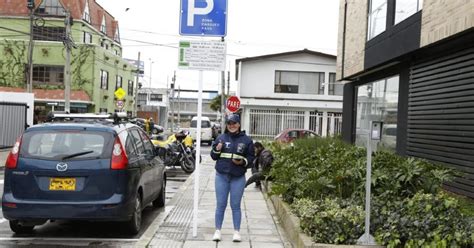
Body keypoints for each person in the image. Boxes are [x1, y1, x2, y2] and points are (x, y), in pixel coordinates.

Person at [210, 114, 255, 242]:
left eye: (234, 123)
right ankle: (217, 231)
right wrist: (217, 149)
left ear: (239, 124)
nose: (232, 126)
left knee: (235, 205)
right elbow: (213, 156)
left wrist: (242, 162)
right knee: (220, 205)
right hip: (221, 176)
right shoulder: (220, 138)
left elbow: (251, 159)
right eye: (229, 123)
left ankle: (236, 232)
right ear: (227, 125)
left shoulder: (247, 140)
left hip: (238, 177)